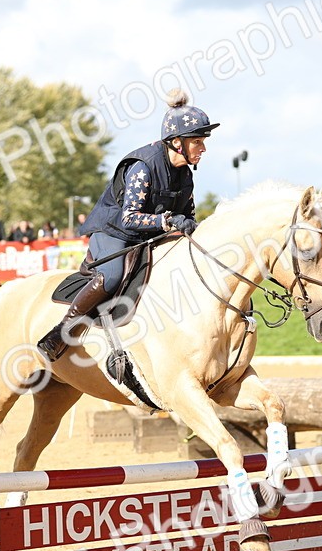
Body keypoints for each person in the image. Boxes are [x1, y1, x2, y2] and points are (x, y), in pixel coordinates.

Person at [36, 89, 217, 361]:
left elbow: (188, 218)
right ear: (177, 142)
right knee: (110, 275)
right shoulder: (143, 166)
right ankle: (60, 333)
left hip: (148, 234)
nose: (203, 148)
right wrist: (167, 221)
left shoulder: (185, 176)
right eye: (198, 141)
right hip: (114, 230)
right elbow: (129, 218)